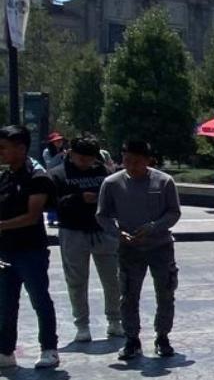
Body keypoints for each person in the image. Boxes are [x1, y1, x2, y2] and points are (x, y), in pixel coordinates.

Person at [96, 140, 181, 362]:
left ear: (147, 160)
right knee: (128, 295)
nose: (131, 166)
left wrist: (154, 226)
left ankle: (163, 336)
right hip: (129, 248)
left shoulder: (164, 181)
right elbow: (102, 215)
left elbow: (174, 213)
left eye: (137, 161)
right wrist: (116, 232)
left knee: (165, 292)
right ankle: (131, 338)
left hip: (160, 247)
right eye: (127, 161)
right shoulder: (112, 183)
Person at [0, 125, 59, 370]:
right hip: (5, 251)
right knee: (5, 303)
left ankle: (49, 349)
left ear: (21, 148)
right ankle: (5, 352)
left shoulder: (38, 178)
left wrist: (1, 225)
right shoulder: (5, 177)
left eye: (3, 148)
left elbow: (32, 216)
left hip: (30, 251)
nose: (0, 152)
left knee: (39, 300)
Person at [55, 135, 122, 343]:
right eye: (81, 158)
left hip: (102, 230)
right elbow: (51, 204)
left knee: (112, 279)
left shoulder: (103, 172)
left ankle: (114, 320)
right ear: (71, 153)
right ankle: (82, 325)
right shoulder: (57, 174)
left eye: (90, 158)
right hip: (73, 232)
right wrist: (78, 199)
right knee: (76, 281)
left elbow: (116, 197)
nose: (85, 163)